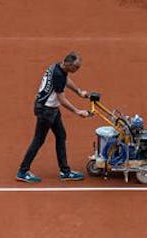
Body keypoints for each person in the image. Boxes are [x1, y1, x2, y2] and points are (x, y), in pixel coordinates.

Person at [16, 51, 92, 183]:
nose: (77, 70)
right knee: (39, 140)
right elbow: (62, 99)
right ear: (68, 64)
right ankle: (23, 171)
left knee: (61, 136)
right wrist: (77, 111)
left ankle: (65, 171)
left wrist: (79, 92)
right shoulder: (57, 75)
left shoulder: (59, 67)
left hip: (50, 109)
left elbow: (66, 80)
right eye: (76, 67)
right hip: (46, 111)